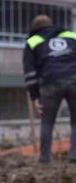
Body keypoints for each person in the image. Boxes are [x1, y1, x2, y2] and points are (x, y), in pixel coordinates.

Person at [23, 15, 76, 163]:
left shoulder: (32, 42)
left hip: (50, 82)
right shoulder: (72, 36)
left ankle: (45, 158)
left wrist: (35, 97)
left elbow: (30, 73)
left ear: (34, 29)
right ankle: (74, 157)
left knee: (47, 122)